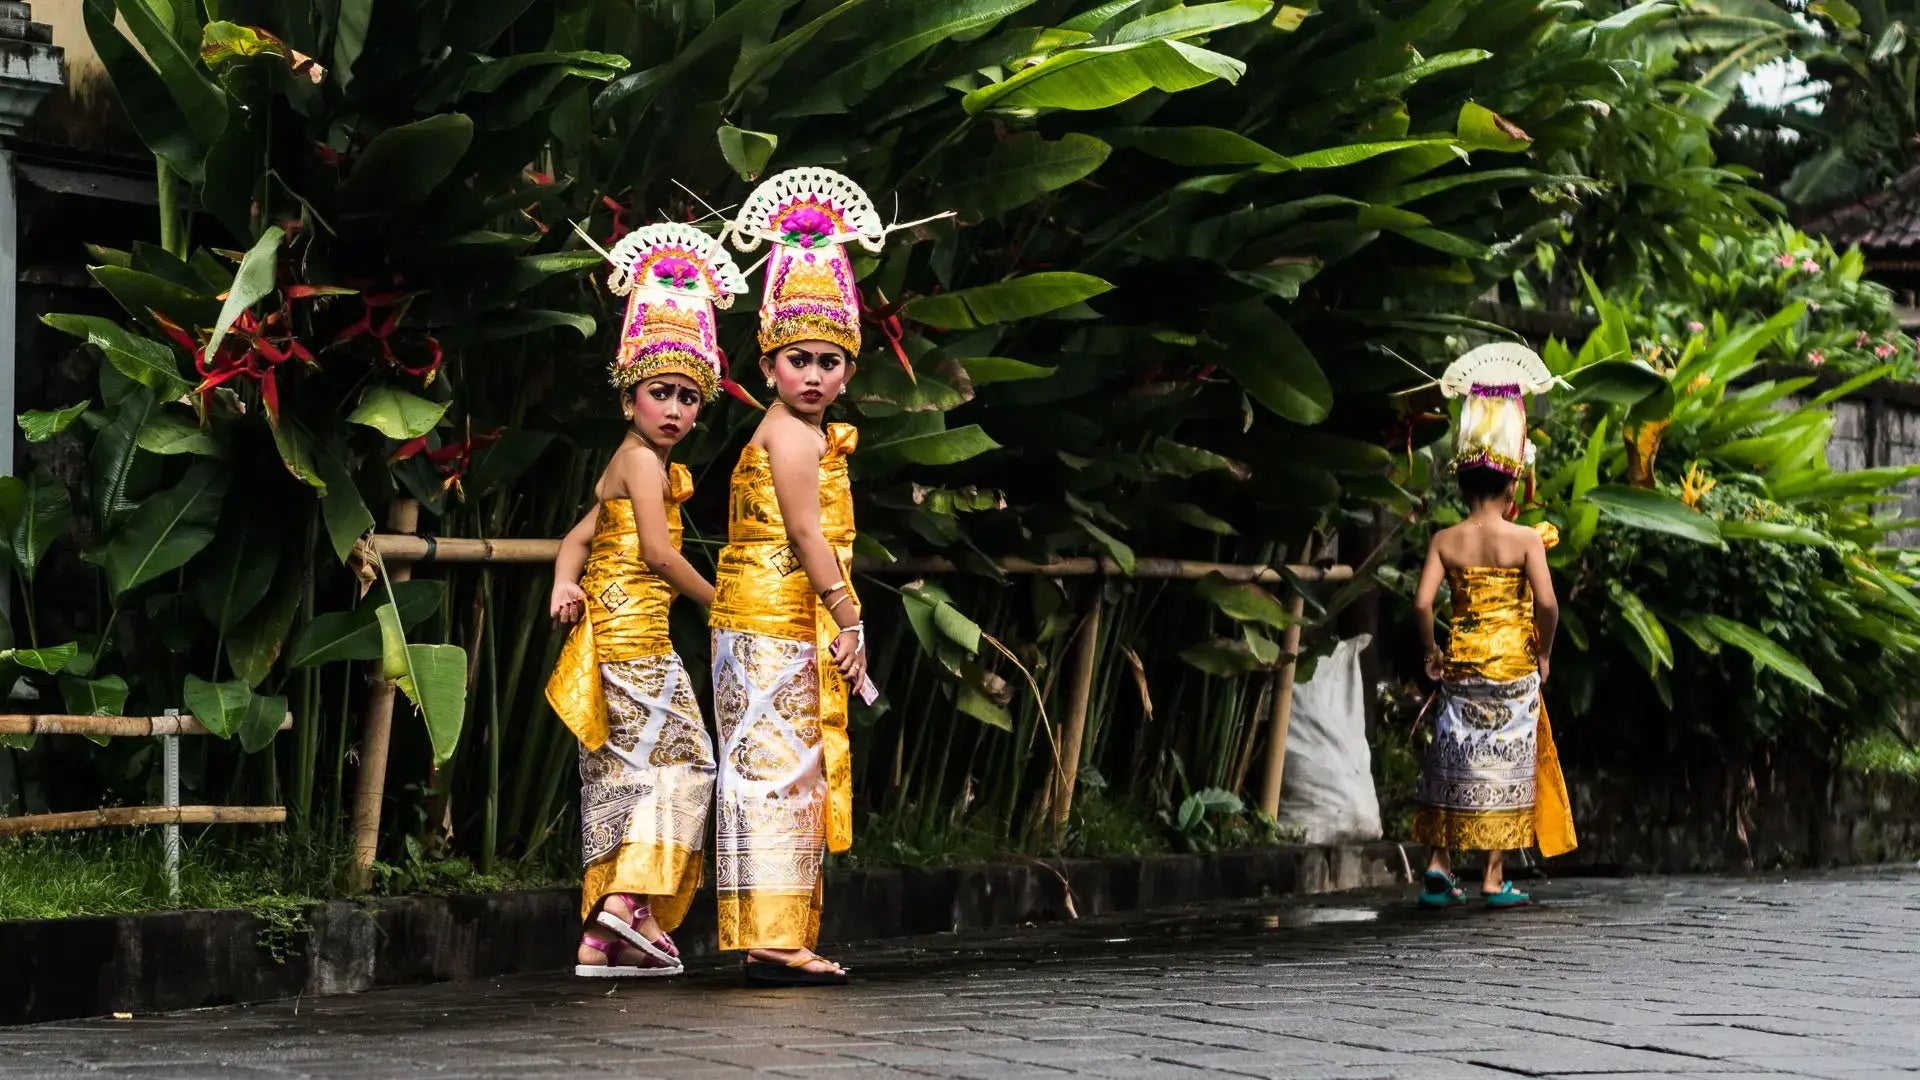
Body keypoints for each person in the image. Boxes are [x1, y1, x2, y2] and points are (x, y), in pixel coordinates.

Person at [707, 167, 900, 986]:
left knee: (778, 769)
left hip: (770, 620)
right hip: (771, 620)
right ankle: (776, 937)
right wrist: (850, 617)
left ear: (849, 371)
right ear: (771, 363)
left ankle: (774, 933)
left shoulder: (794, 425)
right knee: (778, 772)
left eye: (828, 361)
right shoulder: (790, 435)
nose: (813, 375)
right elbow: (805, 531)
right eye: (798, 360)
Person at [546, 222, 748, 977]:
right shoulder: (641, 462)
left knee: (631, 771)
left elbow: (577, 536)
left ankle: (606, 939)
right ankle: (629, 904)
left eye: (688, 399)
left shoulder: (627, 461)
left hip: (625, 641)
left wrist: (568, 579)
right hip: (634, 644)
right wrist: (723, 602)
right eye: (660, 393)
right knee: (689, 763)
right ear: (629, 396)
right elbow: (662, 555)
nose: (673, 409)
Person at [1410, 343, 1578, 910]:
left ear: (1462, 484)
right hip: (1512, 665)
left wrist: (1432, 651)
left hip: (1462, 662)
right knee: (1505, 762)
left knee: (1452, 756)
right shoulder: (1525, 539)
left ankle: (1437, 864)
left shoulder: (1445, 540)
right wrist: (1545, 652)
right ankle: (1491, 875)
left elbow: (1420, 603)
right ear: (1512, 487)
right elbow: (1549, 605)